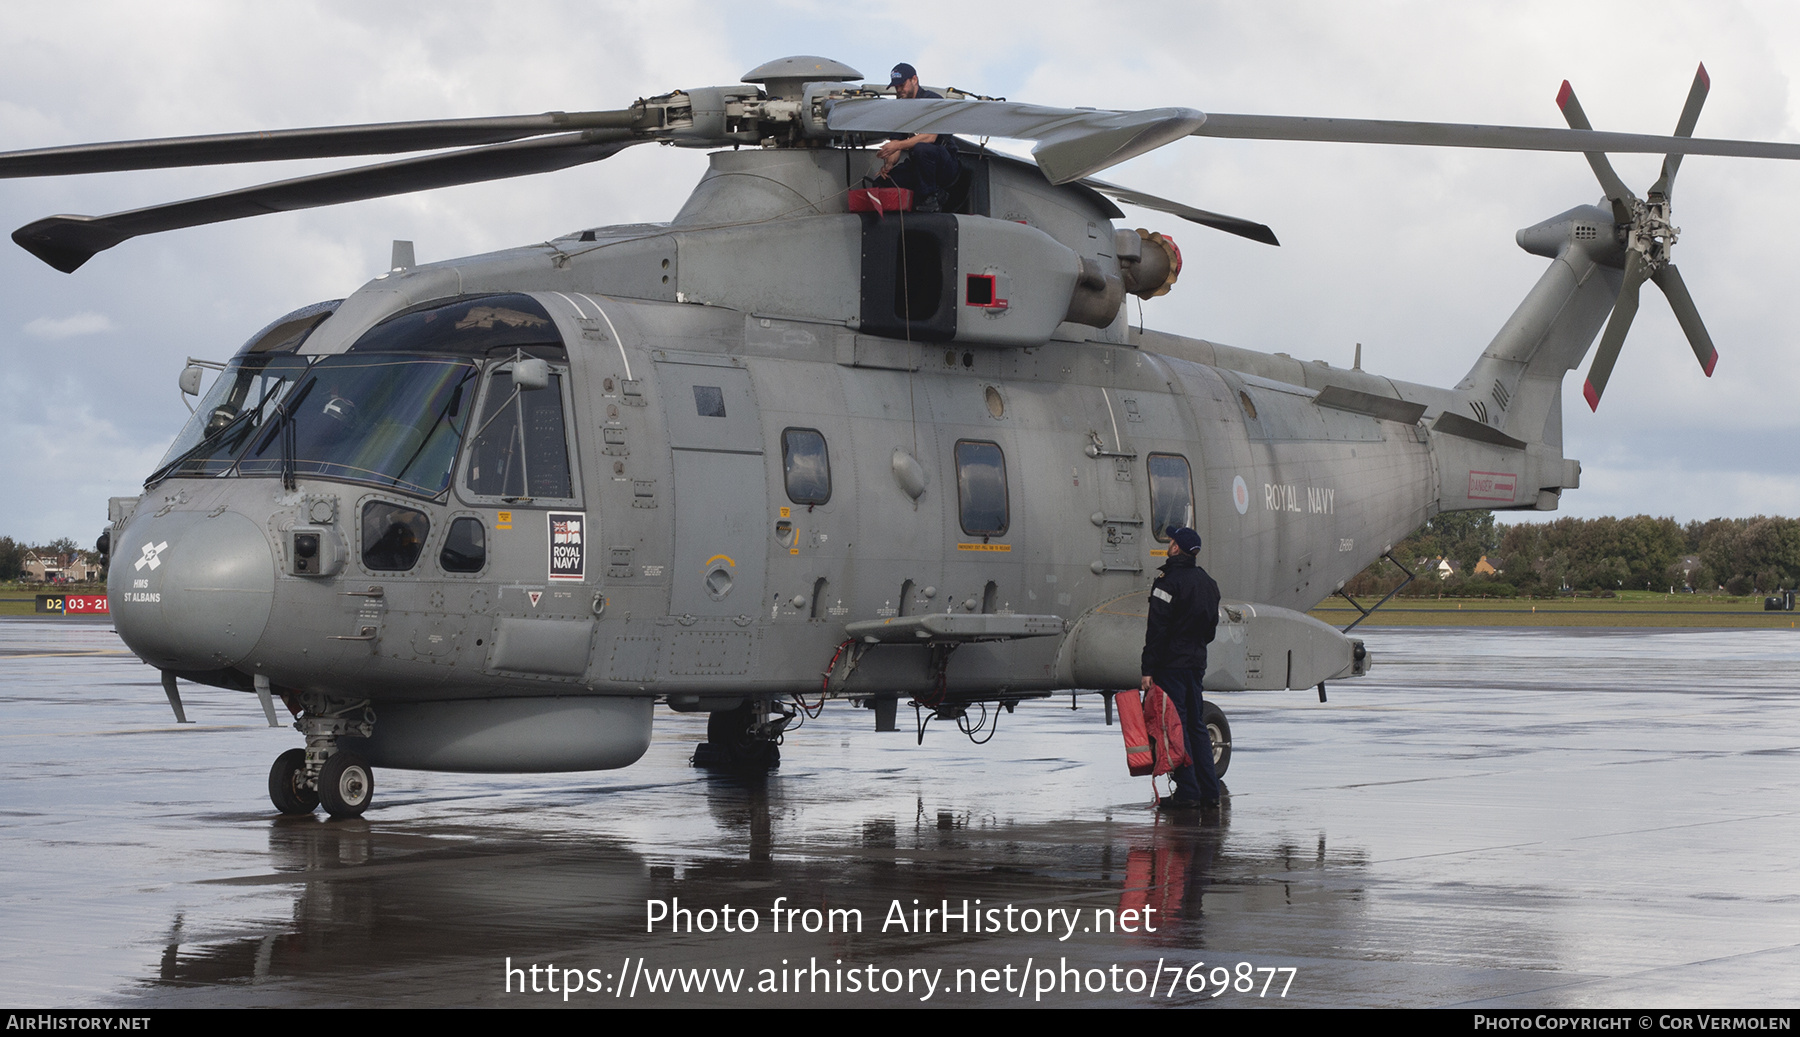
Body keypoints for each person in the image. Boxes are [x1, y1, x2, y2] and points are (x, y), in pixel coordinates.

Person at [1140, 525, 1223, 810]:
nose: (1169, 544)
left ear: (1177, 548)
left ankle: (1187, 791)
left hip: (1171, 665)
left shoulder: (1167, 582)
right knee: (1196, 725)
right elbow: (1211, 630)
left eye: (1172, 541)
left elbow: (1157, 630)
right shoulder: (1209, 583)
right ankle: (1209, 791)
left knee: (1176, 726)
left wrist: (1148, 669)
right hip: (1196, 663)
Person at [875, 63, 959, 210]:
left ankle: (930, 197)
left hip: (944, 164)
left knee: (922, 148)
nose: (899, 90)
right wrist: (888, 164)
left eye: (902, 85)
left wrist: (897, 146)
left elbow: (930, 137)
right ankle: (915, 202)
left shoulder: (932, 100)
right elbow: (895, 142)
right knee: (882, 182)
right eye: (896, 87)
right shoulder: (901, 110)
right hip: (919, 166)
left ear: (914, 80)